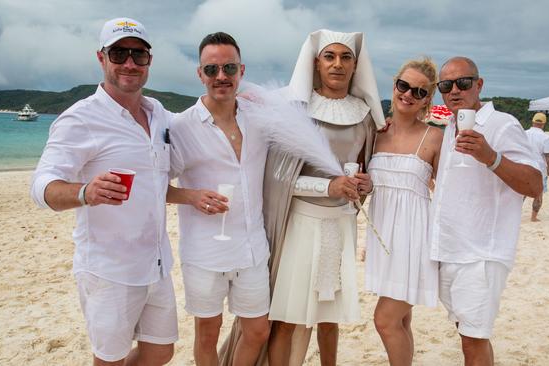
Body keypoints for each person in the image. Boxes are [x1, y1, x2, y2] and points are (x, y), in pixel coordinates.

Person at [30, 18, 176, 366]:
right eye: (118, 53)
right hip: (109, 271)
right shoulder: (80, 119)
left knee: (161, 351)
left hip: (157, 264)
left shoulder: (160, 116)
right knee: (110, 359)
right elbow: (41, 187)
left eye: (138, 55)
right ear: (101, 58)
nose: (129, 63)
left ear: (149, 61)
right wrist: (85, 192)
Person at [264, 29, 386, 366]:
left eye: (345, 57)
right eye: (329, 56)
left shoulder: (364, 114)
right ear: (316, 63)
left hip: (341, 224)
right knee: (288, 316)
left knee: (329, 318)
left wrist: (364, 185)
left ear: (355, 65)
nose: (337, 64)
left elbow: (364, 169)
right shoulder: (298, 109)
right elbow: (279, 178)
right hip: (300, 224)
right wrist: (327, 187)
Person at [166, 32, 270, 366]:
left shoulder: (259, 119)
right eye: (212, 70)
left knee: (257, 331)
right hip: (205, 252)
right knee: (208, 333)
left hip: (252, 247)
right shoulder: (181, 126)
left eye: (229, 68)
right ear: (200, 74)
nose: (221, 76)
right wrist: (190, 195)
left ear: (242, 70)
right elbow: (155, 185)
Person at [430, 56, 542, 366]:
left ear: (479, 85)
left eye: (463, 83)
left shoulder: (501, 124)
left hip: (481, 253)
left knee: (473, 340)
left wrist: (490, 156)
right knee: (466, 331)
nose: (455, 90)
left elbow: (535, 184)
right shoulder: (449, 125)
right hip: (448, 250)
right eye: (446, 85)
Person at [364, 57, 443, 365]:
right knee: (401, 322)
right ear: (394, 85)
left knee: (384, 320)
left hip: (415, 243)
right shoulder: (373, 133)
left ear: (428, 99)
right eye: (403, 86)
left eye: (419, 92)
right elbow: (367, 185)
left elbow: (449, 193)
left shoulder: (434, 137)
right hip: (384, 242)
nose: (409, 94)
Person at [525, 112, 549, 221]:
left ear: (533, 122)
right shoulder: (546, 138)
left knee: (521, 193)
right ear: (543, 124)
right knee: (538, 194)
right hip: (538, 170)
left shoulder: (523, 134)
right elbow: (548, 157)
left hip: (523, 167)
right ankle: (533, 217)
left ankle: (514, 215)